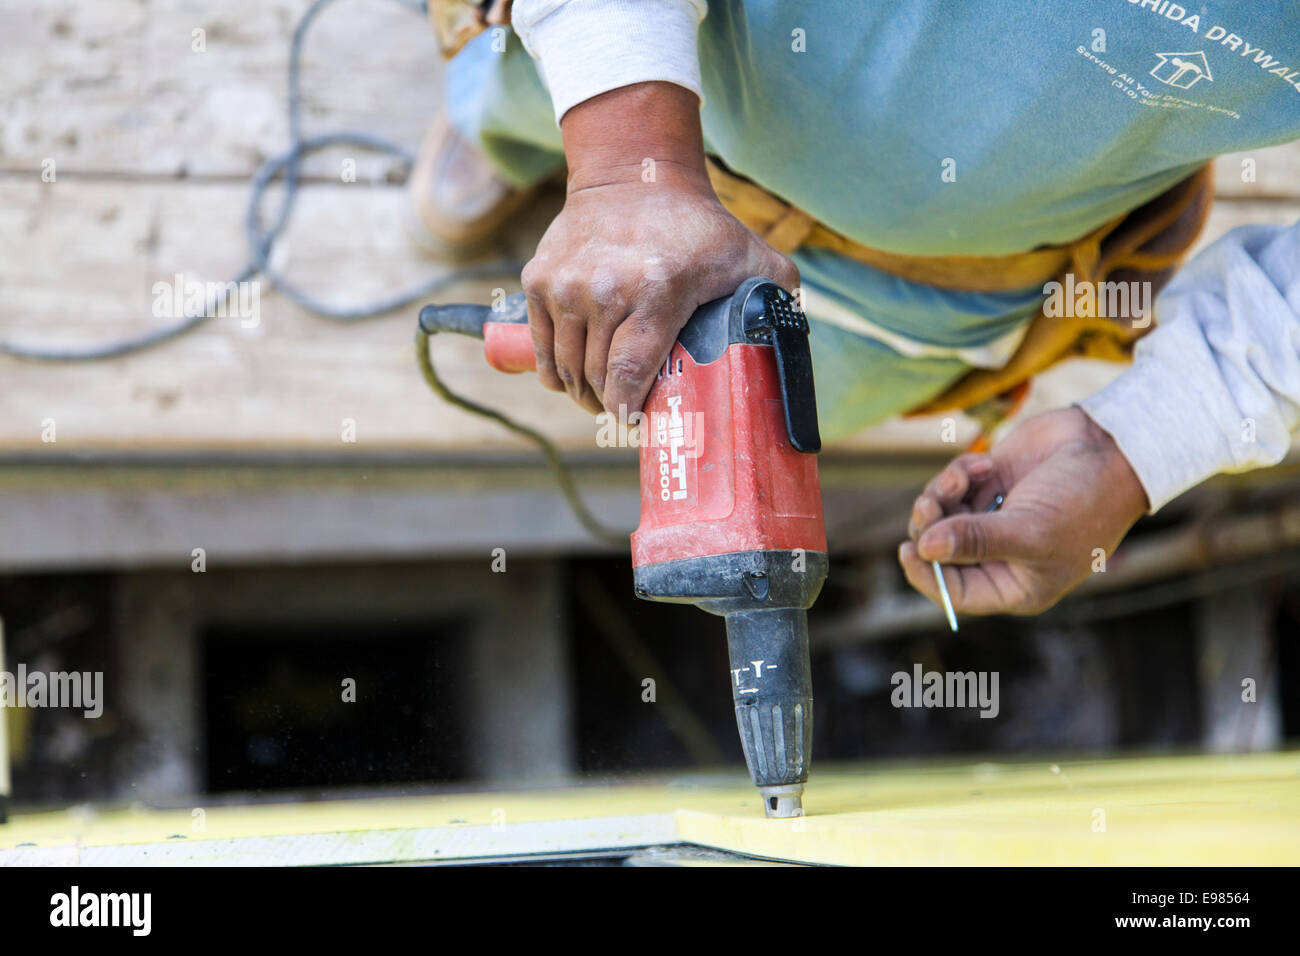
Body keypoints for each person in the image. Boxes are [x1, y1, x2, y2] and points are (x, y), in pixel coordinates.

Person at [411, 1, 1300, 616]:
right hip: (701, 54)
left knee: (785, 404)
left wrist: (1136, 441)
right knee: (559, 78)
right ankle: (543, 117)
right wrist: (621, 162)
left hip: (961, 276)